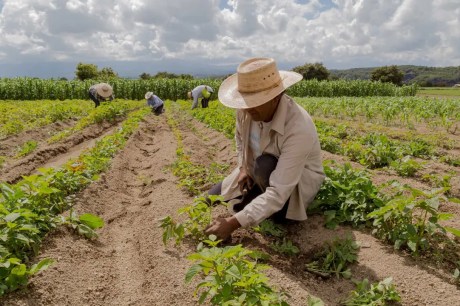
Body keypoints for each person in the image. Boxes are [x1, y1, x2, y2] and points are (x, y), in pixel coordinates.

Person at [205, 57, 325, 240]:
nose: (247, 108)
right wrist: (243, 166)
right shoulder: (245, 111)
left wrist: (233, 223)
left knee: (265, 164)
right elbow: (239, 138)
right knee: (207, 198)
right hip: (256, 172)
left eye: (255, 101)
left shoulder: (299, 127)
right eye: (245, 102)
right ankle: (253, 196)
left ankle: (275, 215)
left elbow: (278, 192)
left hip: (291, 186)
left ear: (276, 97)